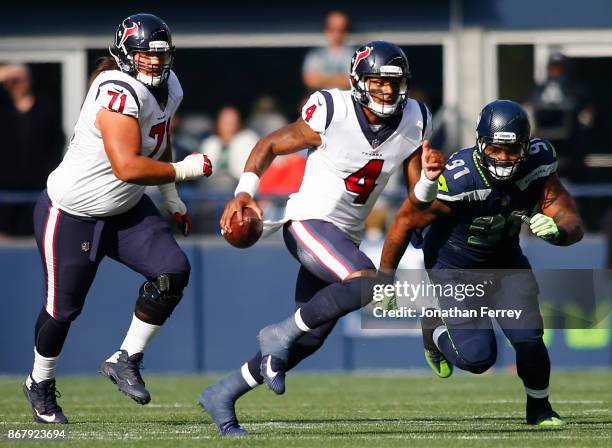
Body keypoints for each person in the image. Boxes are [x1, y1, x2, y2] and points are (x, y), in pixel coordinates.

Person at [199, 41, 445, 436]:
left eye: (393, 84)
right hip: (308, 221)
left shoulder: (415, 118)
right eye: (378, 83)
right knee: (367, 283)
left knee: (310, 338)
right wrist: (245, 191)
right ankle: (278, 333)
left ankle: (224, 392)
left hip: (343, 236)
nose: (386, 91)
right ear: (359, 82)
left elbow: (417, 198)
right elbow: (269, 145)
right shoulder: (333, 109)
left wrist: (431, 180)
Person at [22, 13, 212, 424]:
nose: (155, 64)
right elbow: (127, 166)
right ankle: (40, 381)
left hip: (125, 209)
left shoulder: (169, 88)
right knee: (63, 310)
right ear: (125, 55)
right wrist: (185, 171)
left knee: (172, 270)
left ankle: (126, 357)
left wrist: (171, 196)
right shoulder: (115, 91)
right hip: (72, 212)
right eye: (145, 55)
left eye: (161, 55)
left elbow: (158, 143)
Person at [379, 100, 584, 426]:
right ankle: (433, 330)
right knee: (478, 358)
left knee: (529, 339)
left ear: (526, 147)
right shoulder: (459, 179)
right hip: (454, 266)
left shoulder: (538, 164)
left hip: (504, 261)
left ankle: (540, 409)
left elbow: (569, 215)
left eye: (512, 150)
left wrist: (560, 231)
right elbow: (405, 222)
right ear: (480, 144)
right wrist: (384, 280)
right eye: (495, 148)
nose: (503, 158)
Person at [0, 64, 64, 237]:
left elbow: (57, 142)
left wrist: (51, 171)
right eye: (13, 80)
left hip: (38, 189)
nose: (18, 84)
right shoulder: (3, 108)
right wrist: (5, 74)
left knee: (36, 237)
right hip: (5, 192)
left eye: (21, 79)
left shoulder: (46, 107)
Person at [531, 53, 592, 181]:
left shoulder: (576, 90)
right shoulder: (538, 90)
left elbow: (587, 116)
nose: (556, 73)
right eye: (553, 68)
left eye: (560, 69)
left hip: (570, 149)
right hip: (544, 148)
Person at [199, 106, 259, 189]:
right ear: (218, 123)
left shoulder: (248, 139)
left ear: (239, 123)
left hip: (240, 187)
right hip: (211, 189)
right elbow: (204, 174)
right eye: (225, 122)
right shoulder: (209, 143)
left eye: (232, 122)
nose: (229, 126)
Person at [302, 11, 353, 91]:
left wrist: (324, 78)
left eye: (341, 29)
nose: (337, 33)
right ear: (326, 29)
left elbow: (352, 81)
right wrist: (340, 78)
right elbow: (310, 80)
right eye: (333, 29)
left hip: (345, 98)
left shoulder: (354, 55)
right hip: (320, 98)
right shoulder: (316, 54)